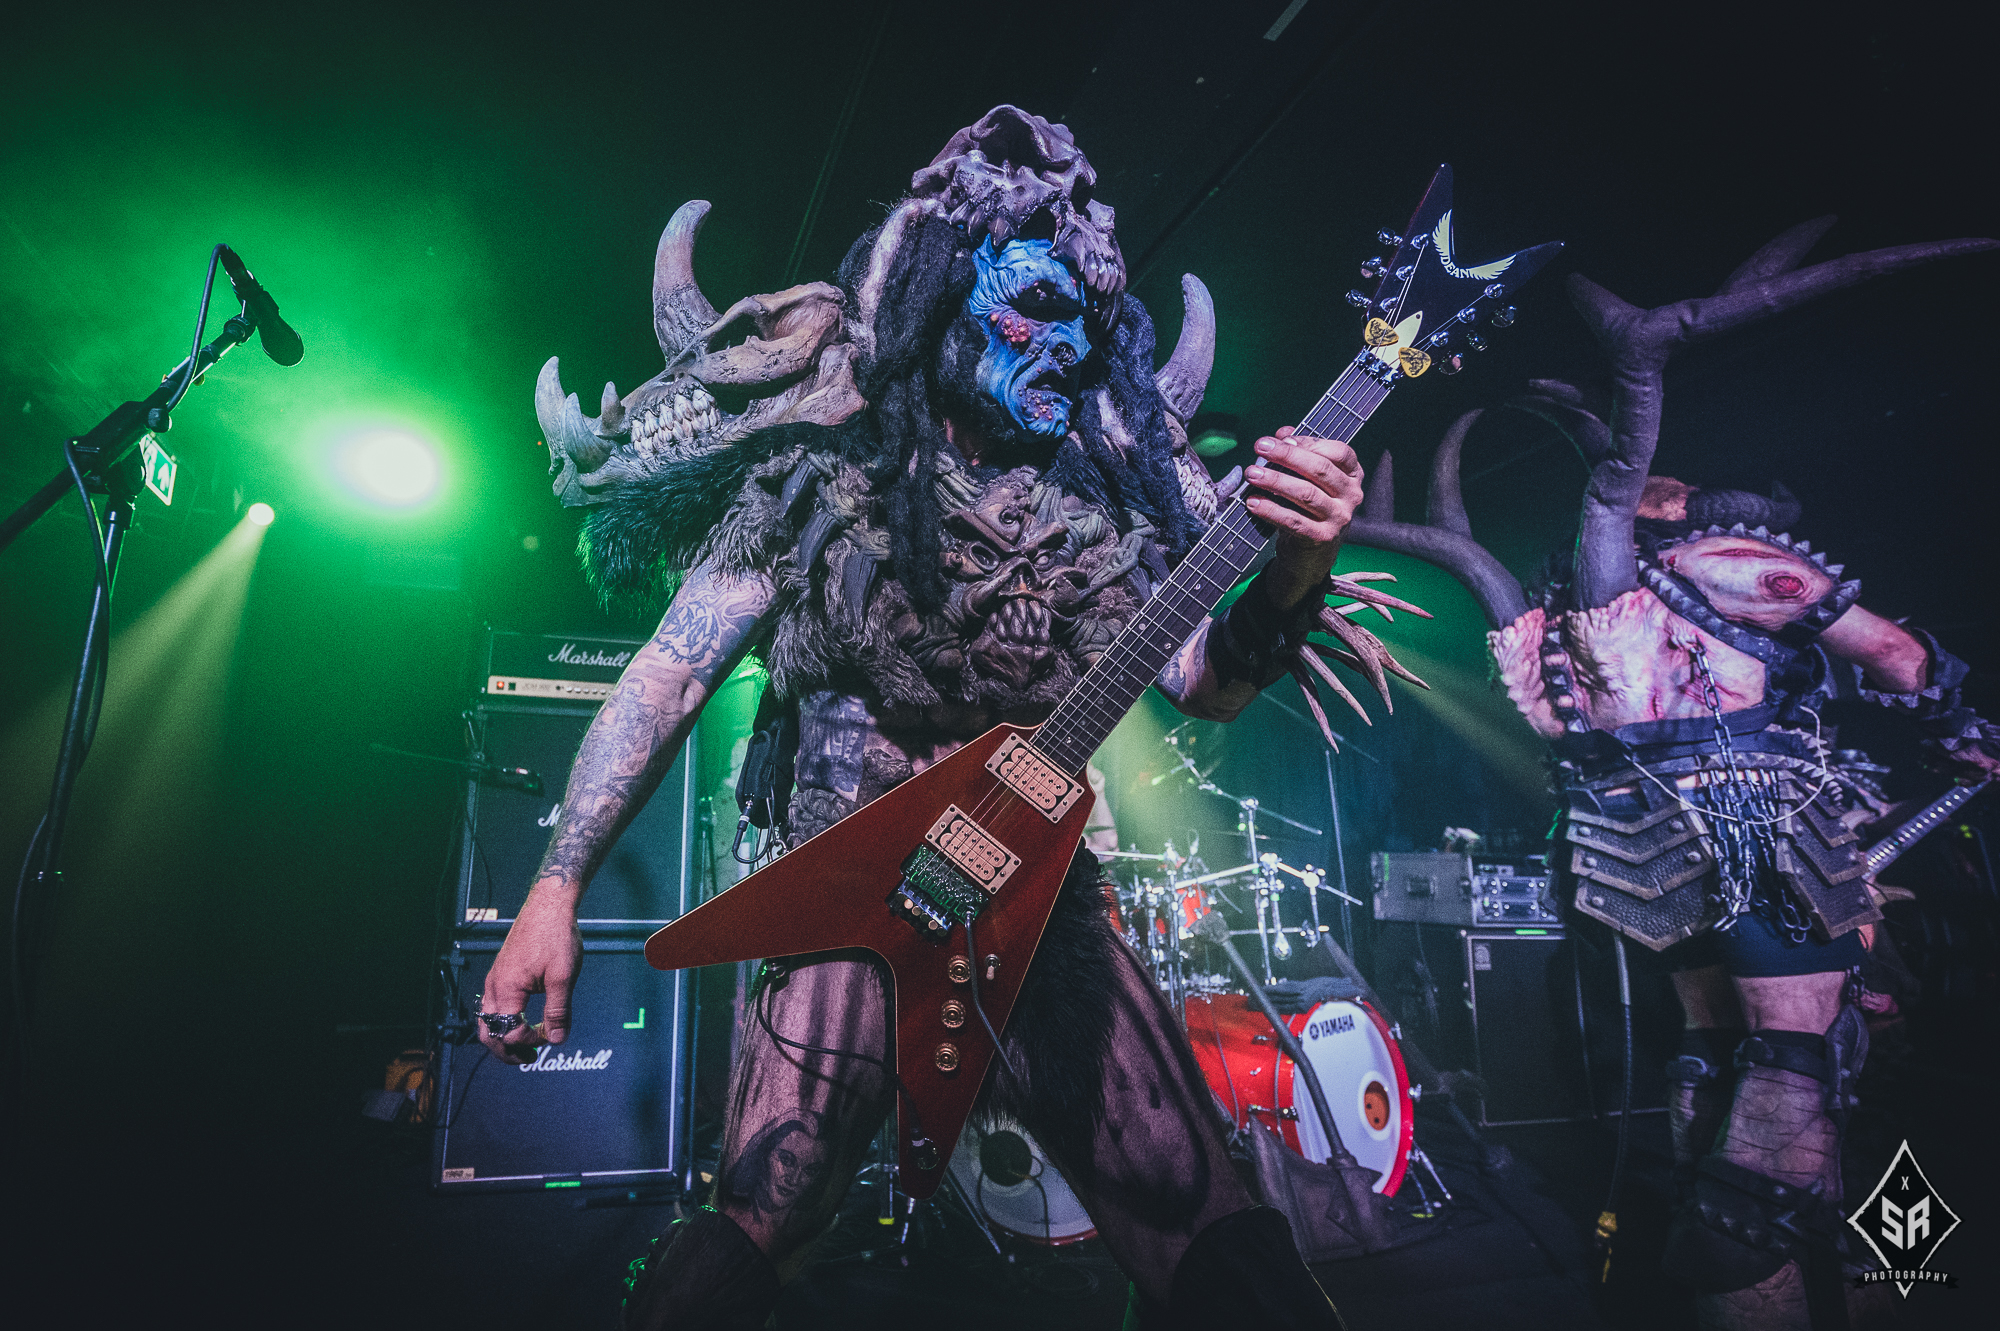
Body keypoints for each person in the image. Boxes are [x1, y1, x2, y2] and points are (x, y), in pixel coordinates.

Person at [481, 106, 1407, 1328]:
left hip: (1041, 902)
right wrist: (553, 887)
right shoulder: (816, 478)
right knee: (769, 1198)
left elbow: (1207, 685)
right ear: (942, 300)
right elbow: (667, 676)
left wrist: (1295, 568)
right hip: (850, 889)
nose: (1061, 343)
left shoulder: (1101, 500)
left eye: (1081, 323)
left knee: (1191, 1204)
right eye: (1033, 308)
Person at [1345, 219, 1999, 1329]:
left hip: (1646, 868)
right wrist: (1955, 718)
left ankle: (1794, 1290)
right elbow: (1894, 654)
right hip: (1768, 851)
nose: (1668, 482)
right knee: (1790, 1080)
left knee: (1708, 1072)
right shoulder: (1724, 564)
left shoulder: (1556, 621)